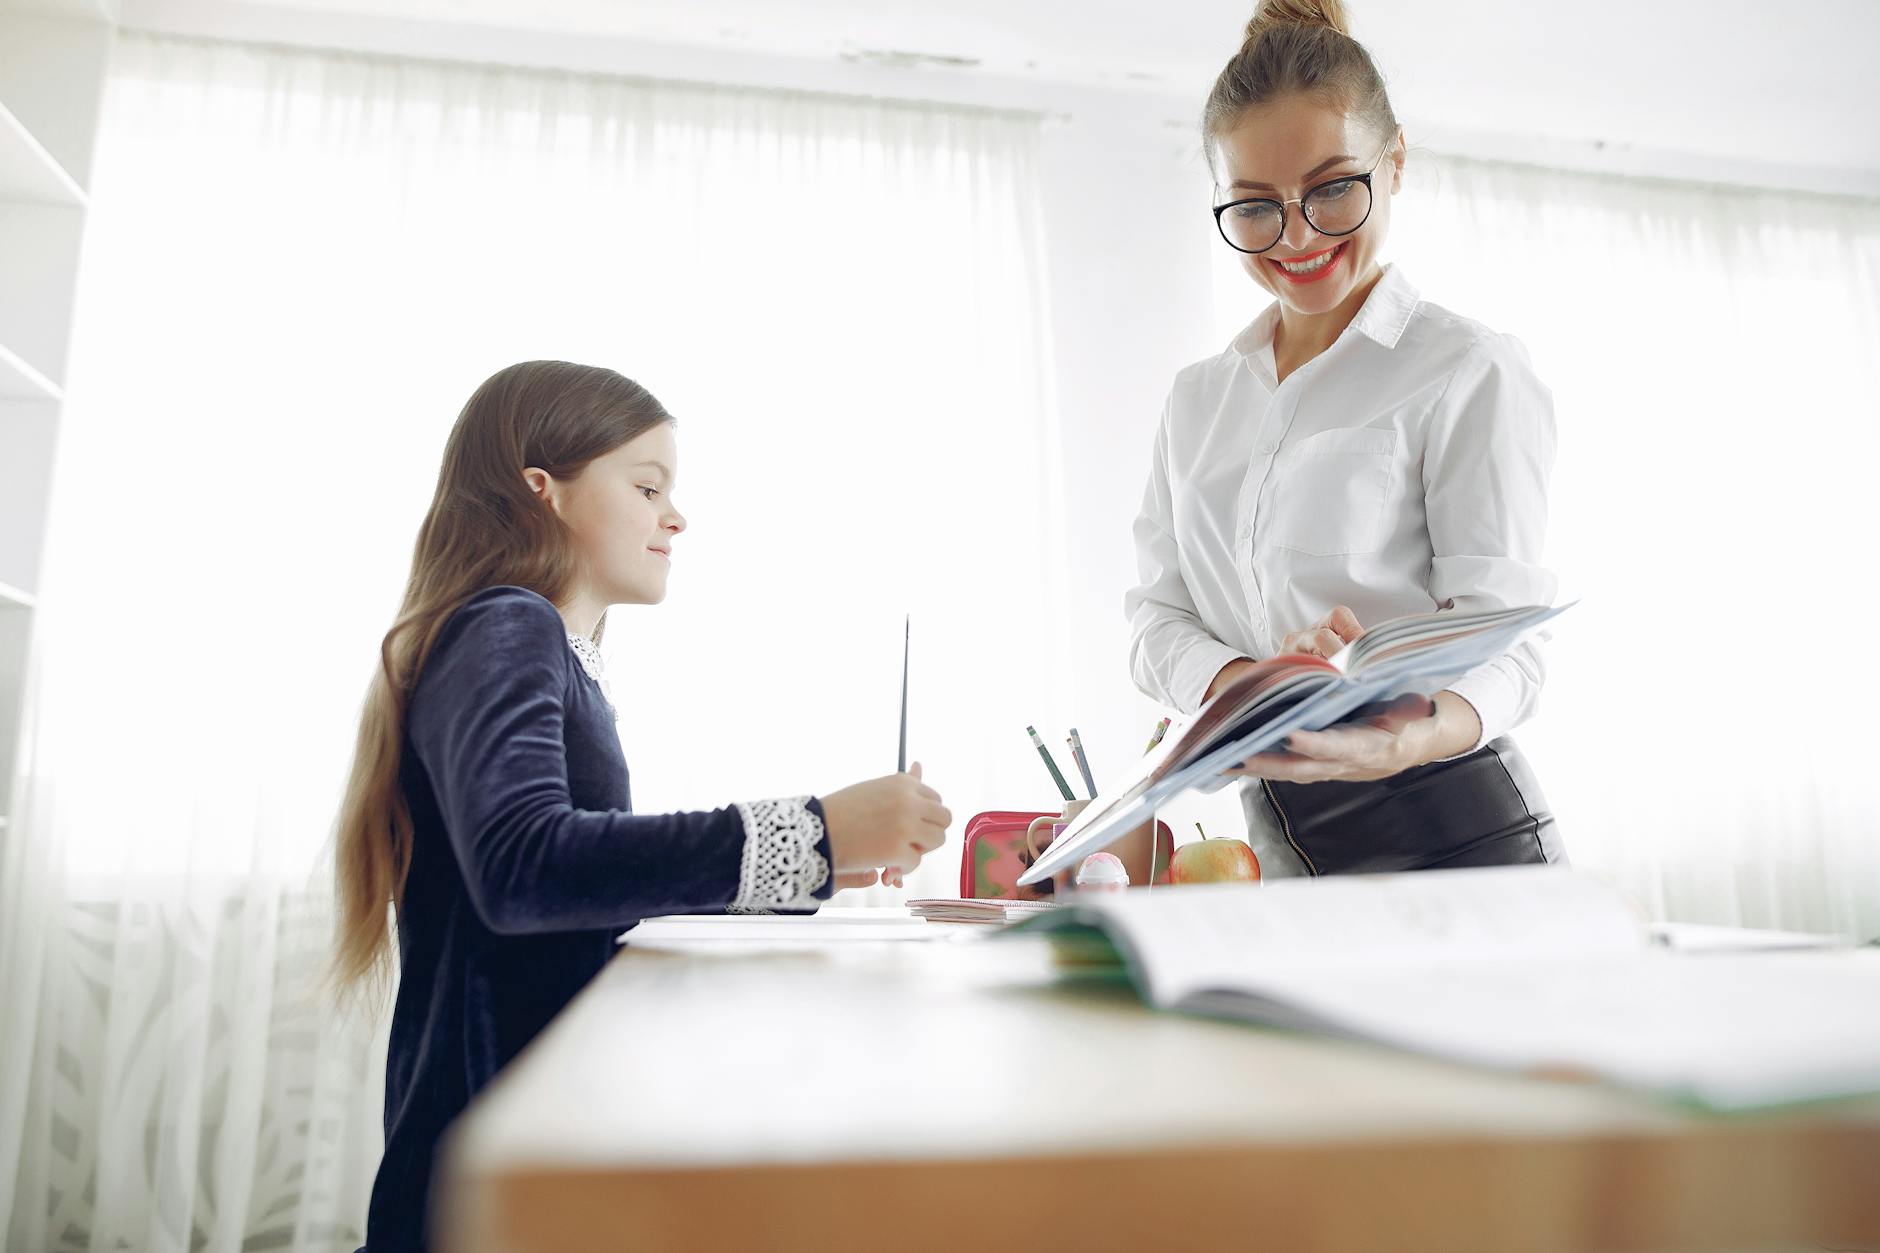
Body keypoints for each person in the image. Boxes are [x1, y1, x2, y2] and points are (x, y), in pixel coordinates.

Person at [330, 360, 951, 1250]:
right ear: (542, 490)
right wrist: (811, 832)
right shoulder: (506, 623)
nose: (677, 515)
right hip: (485, 1156)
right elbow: (525, 868)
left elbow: (585, 874)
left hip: (518, 1126)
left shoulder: (544, 648)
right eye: (649, 484)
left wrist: (826, 860)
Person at [1125, 0, 1565, 877]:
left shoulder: (1466, 368)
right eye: (1254, 206)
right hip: (1276, 837)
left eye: (1332, 188)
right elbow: (1155, 619)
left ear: (1394, 163)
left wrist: (1405, 738)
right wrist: (1244, 687)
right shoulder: (1197, 401)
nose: (1297, 236)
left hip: (1458, 833)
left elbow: (1508, 642)